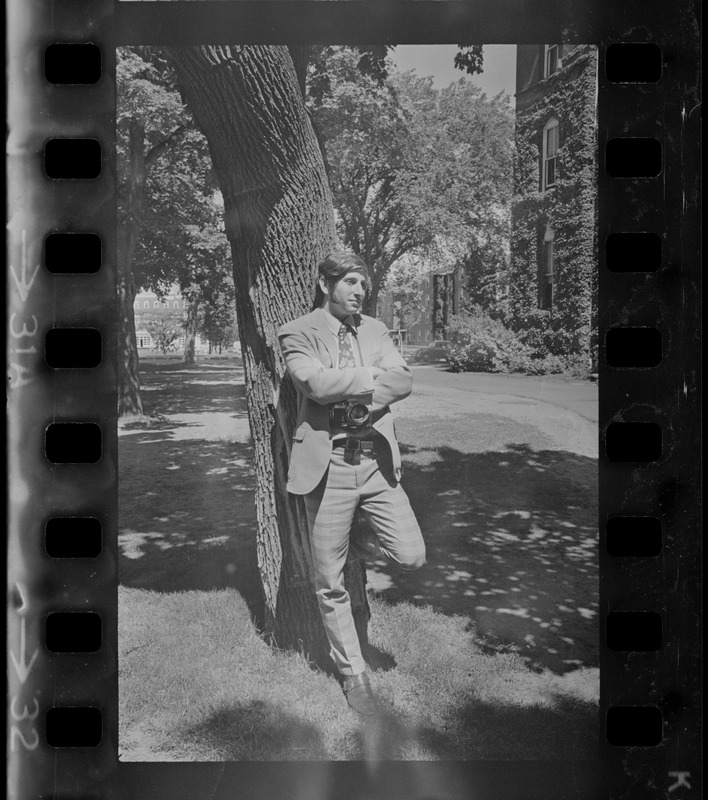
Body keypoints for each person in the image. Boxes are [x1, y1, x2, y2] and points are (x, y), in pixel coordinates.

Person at [278, 250, 426, 716]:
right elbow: (313, 385)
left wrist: (351, 387)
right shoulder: (297, 331)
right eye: (351, 283)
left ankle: (357, 536)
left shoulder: (377, 330)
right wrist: (369, 376)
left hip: (377, 466)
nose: (360, 292)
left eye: (364, 285)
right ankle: (353, 675)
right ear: (326, 284)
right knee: (329, 581)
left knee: (411, 554)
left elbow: (402, 380)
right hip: (329, 469)